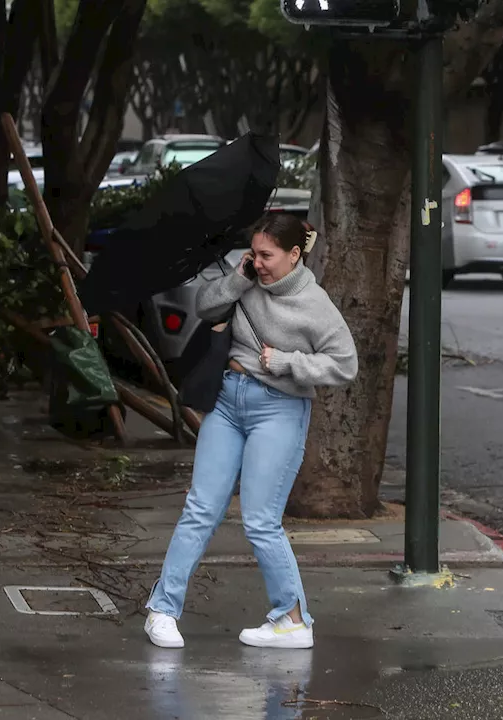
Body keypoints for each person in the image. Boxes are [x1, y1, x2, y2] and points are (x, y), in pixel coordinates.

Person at [143, 212, 358, 650]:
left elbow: (344, 364)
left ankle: (294, 620)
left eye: (267, 255)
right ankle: (162, 611)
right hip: (227, 400)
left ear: (295, 255)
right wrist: (239, 279)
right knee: (201, 507)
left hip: (278, 409)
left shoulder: (315, 305)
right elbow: (205, 306)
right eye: (253, 253)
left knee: (261, 519)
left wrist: (286, 363)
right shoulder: (246, 281)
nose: (257, 262)